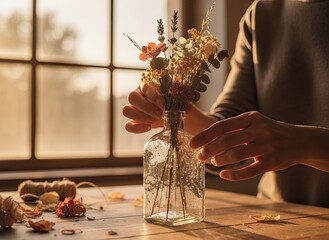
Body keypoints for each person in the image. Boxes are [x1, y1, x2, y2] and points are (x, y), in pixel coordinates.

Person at [122, 0, 329, 208]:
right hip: (281, 217)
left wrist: (306, 143)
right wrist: (173, 107)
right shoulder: (261, 13)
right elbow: (231, 129)